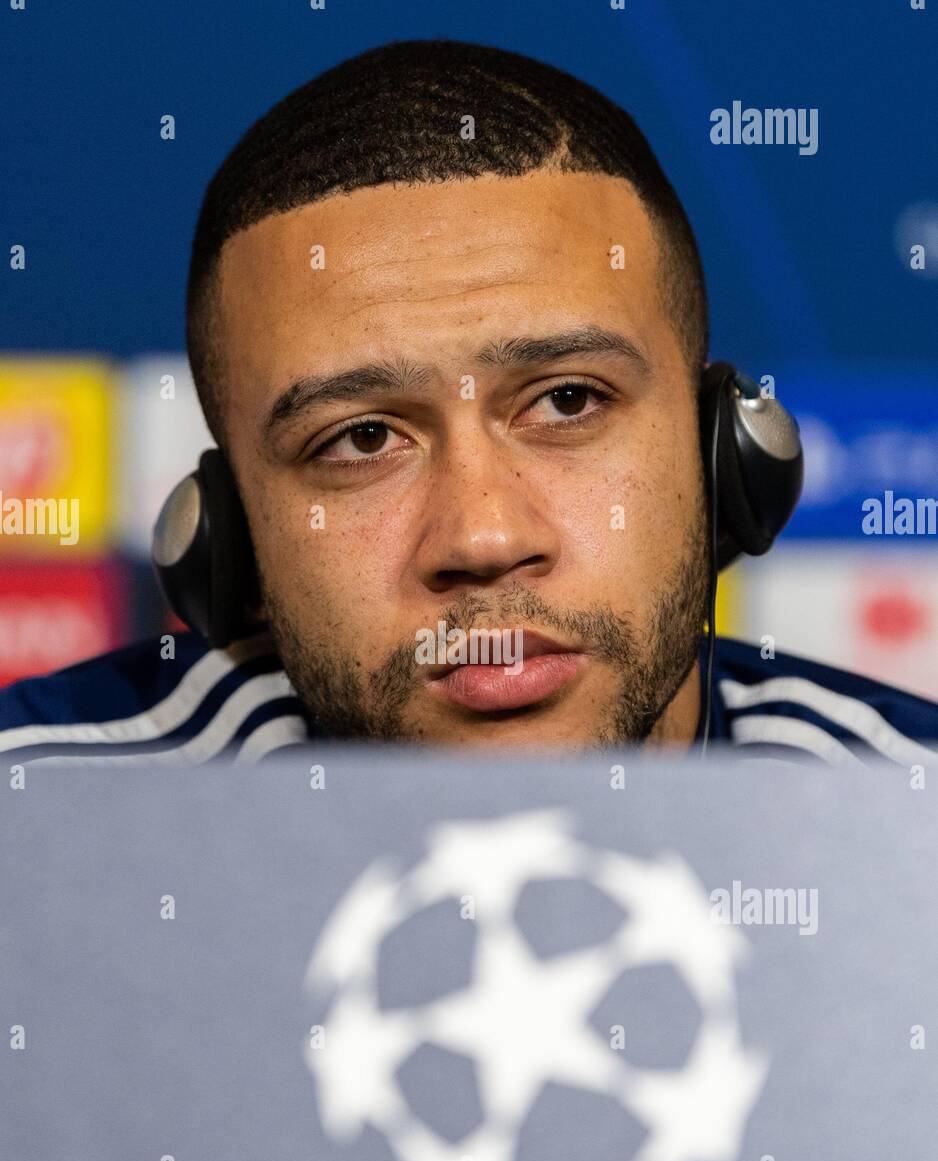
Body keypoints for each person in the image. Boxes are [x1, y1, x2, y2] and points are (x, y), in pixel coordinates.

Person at [2, 39, 936, 767]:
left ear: (725, 463)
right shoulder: (34, 842)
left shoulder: (907, 834)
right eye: (363, 438)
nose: (483, 540)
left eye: (568, 401)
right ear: (230, 554)